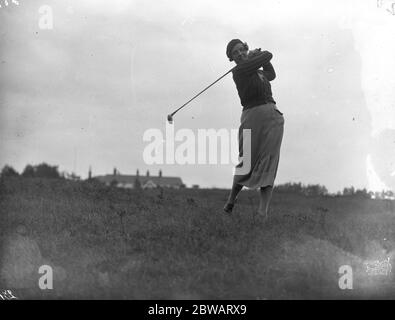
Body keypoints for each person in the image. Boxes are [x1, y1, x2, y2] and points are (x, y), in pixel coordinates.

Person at [223, 39, 284, 220]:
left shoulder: (257, 71)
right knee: (246, 162)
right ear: (231, 58)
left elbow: (271, 74)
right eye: (236, 53)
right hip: (251, 116)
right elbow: (268, 54)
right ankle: (230, 202)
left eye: (242, 50)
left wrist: (260, 58)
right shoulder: (239, 71)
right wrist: (257, 55)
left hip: (272, 116)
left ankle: (262, 213)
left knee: (269, 162)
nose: (240, 54)